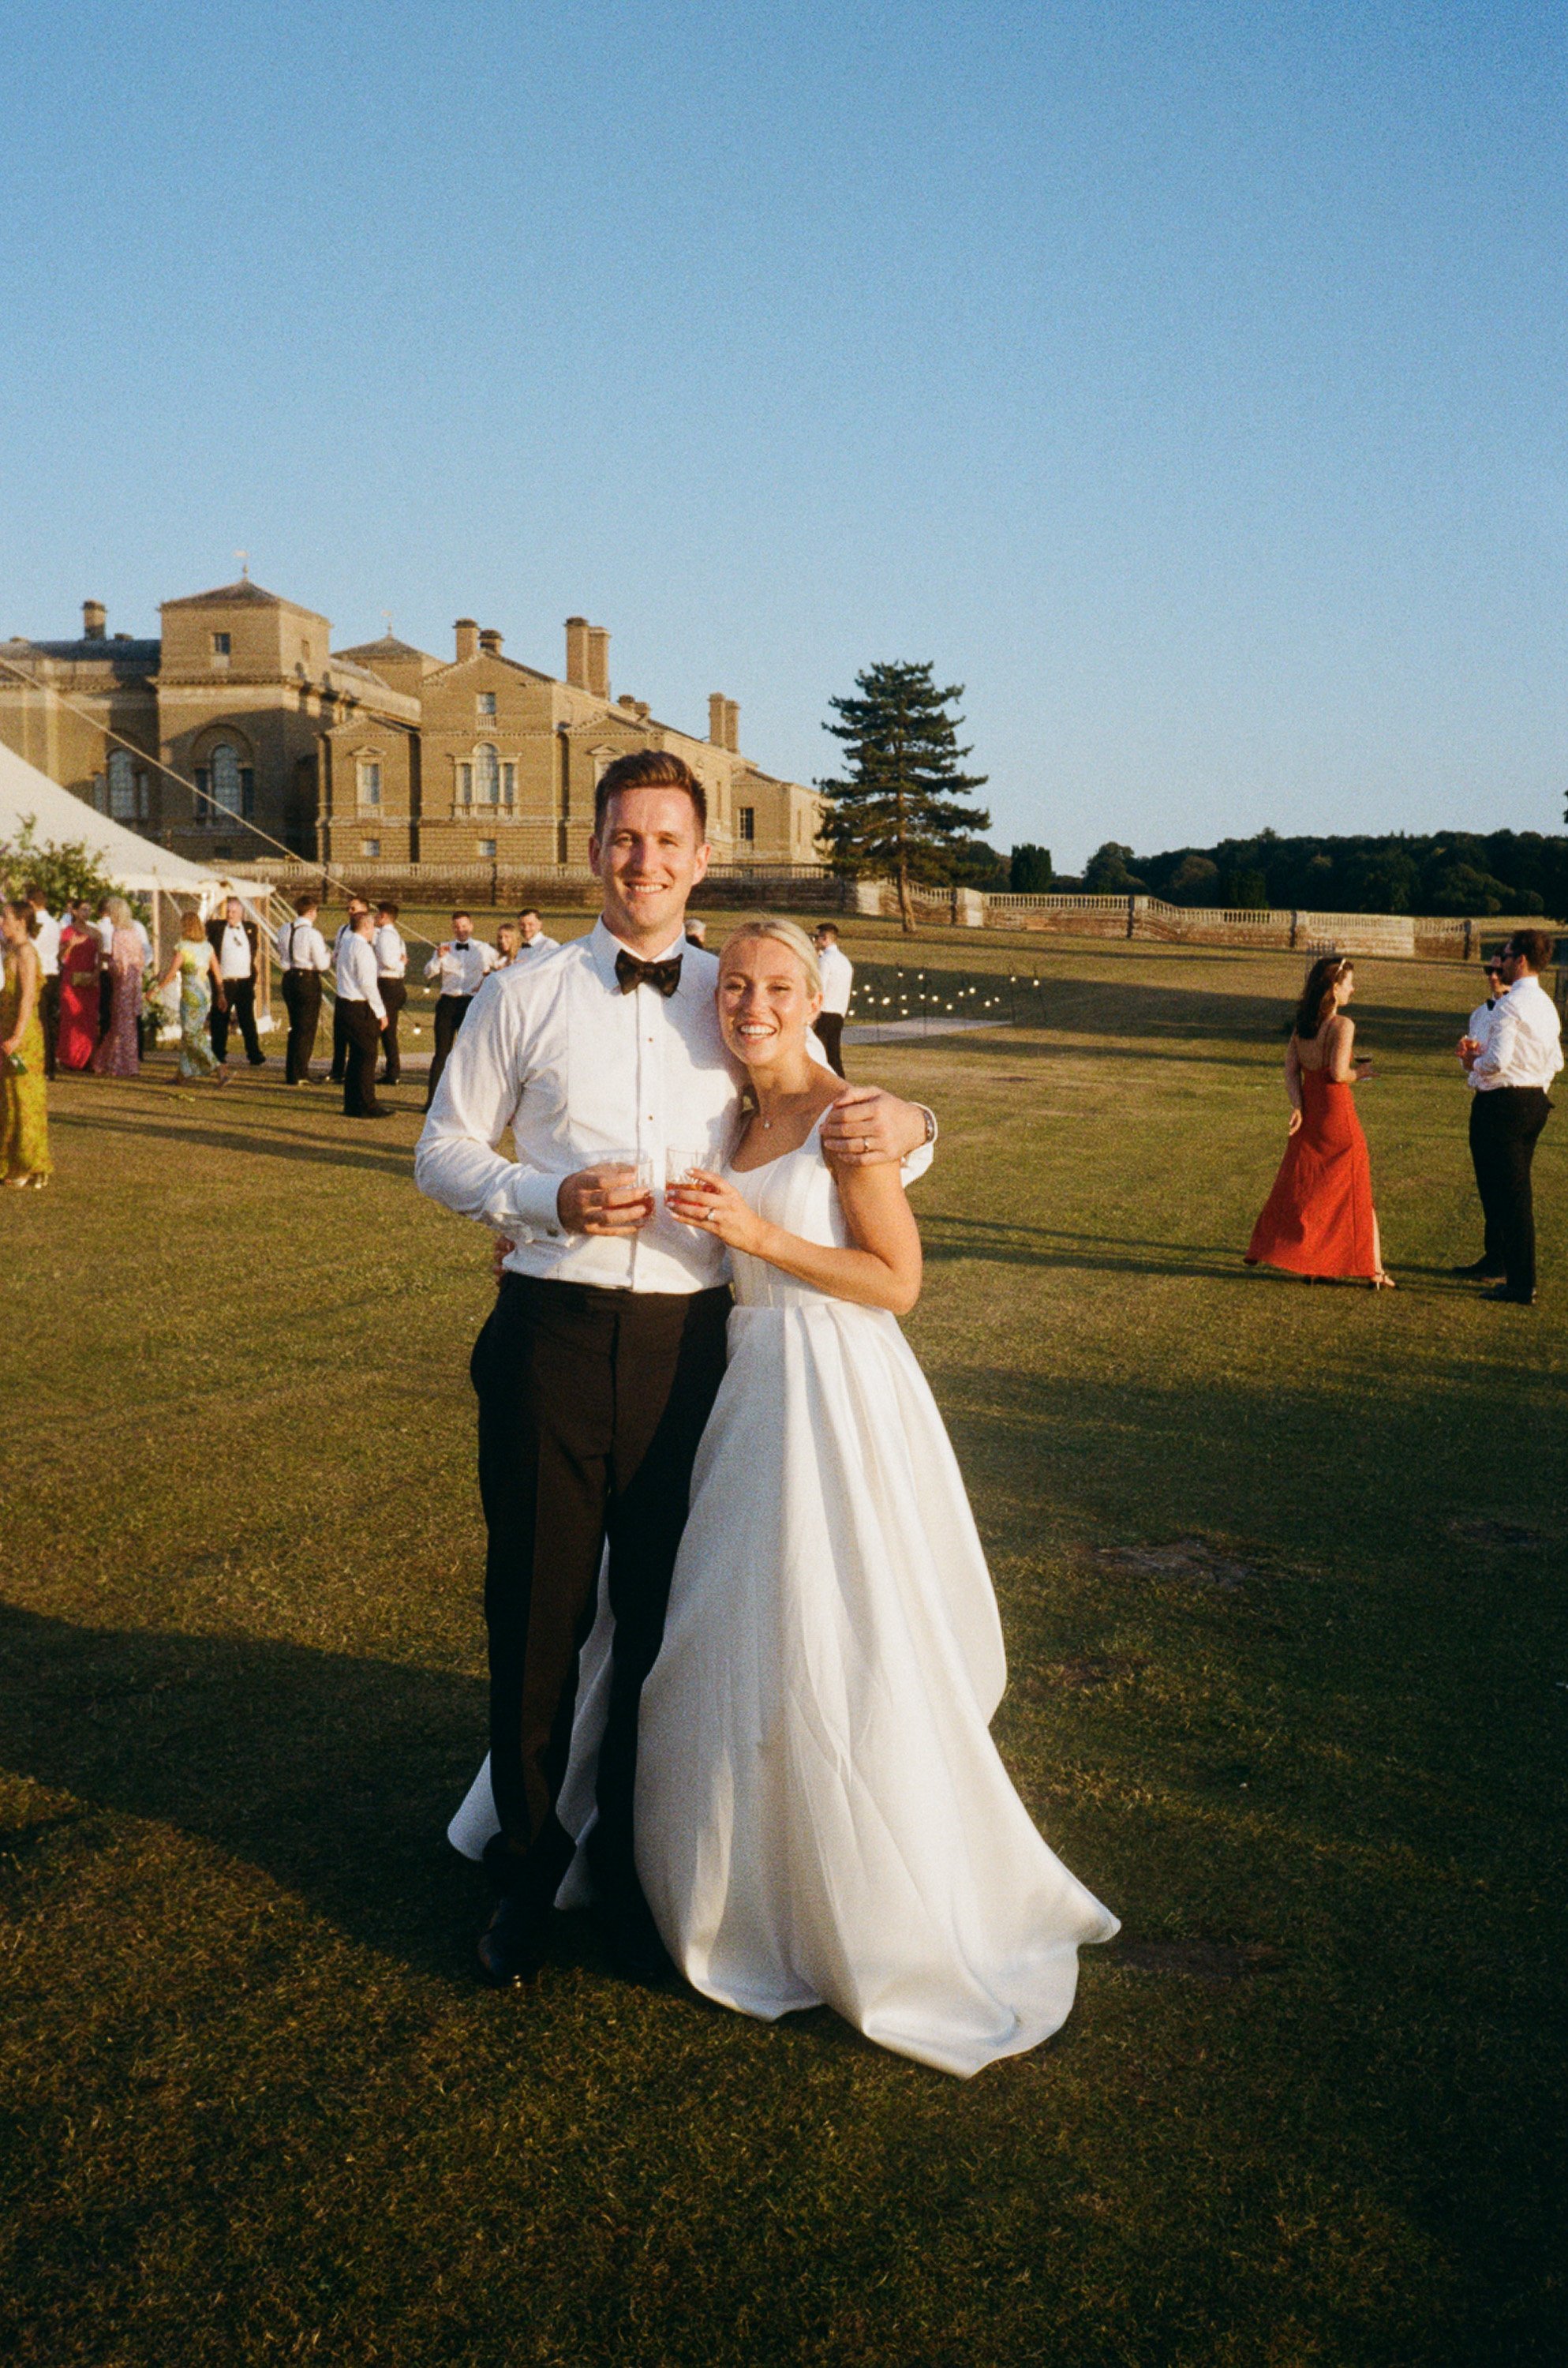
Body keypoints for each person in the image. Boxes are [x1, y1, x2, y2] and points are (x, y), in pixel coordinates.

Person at [417, 748, 934, 1988]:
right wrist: (542, 1197)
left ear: (700, 860)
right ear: (592, 848)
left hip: (690, 1352)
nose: (641, 860)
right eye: (621, 837)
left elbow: (831, 1113)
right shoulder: (523, 992)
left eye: (665, 840)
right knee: (537, 1615)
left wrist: (920, 1122)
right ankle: (524, 1880)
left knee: (660, 1623)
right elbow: (440, 1150)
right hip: (548, 1336)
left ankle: (635, 1876)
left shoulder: (735, 991)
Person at [1244, 955, 1392, 1287]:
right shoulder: (1343, 1025)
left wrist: (1298, 1106)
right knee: (1356, 1192)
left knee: (1313, 1191)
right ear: (1334, 988)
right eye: (1348, 983)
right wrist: (1362, 1073)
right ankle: (1374, 1270)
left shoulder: (1303, 1026)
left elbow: (1290, 1070)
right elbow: (1339, 1073)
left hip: (1311, 1115)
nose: (1353, 989)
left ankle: (1315, 1264)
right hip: (1338, 1116)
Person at [1458, 927, 1562, 1306]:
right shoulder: (1546, 1005)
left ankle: (1520, 1283)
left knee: (1510, 1196)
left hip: (1504, 1105)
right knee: (1512, 1191)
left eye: (1504, 955)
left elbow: (1498, 1061)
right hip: (1534, 1101)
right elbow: (1556, 1060)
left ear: (1521, 959)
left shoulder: (1510, 1005)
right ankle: (1504, 1265)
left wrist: (1473, 1061)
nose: (1499, 962)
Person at [1451, 956, 1510, 1280]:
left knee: (1506, 1184)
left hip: (1508, 1099)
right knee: (1487, 1182)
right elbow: (1471, 1065)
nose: (1493, 977)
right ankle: (1494, 1255)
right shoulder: (1479, 1013)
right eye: (1489, 970)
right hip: (1482, 1098)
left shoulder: (1516, 1010)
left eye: (1499, 971)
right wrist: (1467, 1055)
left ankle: (1507, 1260)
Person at [0, 900, 52, 1186]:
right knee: (8, 1098)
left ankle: (27, 1166)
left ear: (21, 922)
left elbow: (28, 997)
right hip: (7, 1027)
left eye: (5, 918)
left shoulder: (26, 953)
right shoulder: (11, 950)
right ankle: (13, 1162)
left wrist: (17, 1036)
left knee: (24, 1099)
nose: (1, 923)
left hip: (23, 1034)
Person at [422, 911, 496, 1107]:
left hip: (471, 1004)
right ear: (452, 928)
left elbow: (501, 966)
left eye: (464, 926)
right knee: (441, 1053)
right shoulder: (445, 948)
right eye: (457, 927)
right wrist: (438, 958)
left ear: (471, 926)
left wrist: (487, 979)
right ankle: (432, 1102)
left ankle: (468, 1103)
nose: (461, 930)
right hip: (448, 1003)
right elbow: (428, 973)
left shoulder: (483, 949)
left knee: (470, 1053)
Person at [160, 910, 227, 1082]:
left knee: (191, 1034)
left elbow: (172, 973)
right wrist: (221, 994)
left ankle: (217, 1065)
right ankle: (182, 1073)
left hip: (190, 996)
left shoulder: (183, 948)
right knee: (189, 1034)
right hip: (205, 994)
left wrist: (157, 988)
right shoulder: (207, 947)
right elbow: (217, 973)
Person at [335, 906, 389, 1118]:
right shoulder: (362, 949)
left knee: (356, 1057)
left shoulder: (346, 943)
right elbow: (367, 984)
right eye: (372, 927)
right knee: (367, 1056)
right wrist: (381, 1012)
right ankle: (367, 1104)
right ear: (366, 927)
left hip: (344, 1004)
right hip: (359, 1006)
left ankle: (352, 1103)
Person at [276, 894, 331, 1085]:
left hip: (289, 978)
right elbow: (322, 964)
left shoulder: (284, 929)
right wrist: (328, 955)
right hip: (307, 979)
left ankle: (292, 1070)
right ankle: (300, 1072)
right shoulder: (312, 934)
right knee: (306, 1028)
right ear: (312, 912)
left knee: (295, 1026)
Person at [206, 896, 266, 1067]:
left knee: (247, 1019)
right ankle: (218, 1053)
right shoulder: (217, 928)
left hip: (244, 982)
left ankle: (254, 1053)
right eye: (228, 911)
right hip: (225, 982)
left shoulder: (251, 929)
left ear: (241, 913)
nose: (230, 914)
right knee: (220, 1018)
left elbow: (253, 951)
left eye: (234, 911)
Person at [88, 897, 143, 1077]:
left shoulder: (118, 935)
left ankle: (117, 1063)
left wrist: (108, 961)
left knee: (120, 1023)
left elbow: (118, 965)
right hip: (134, 981)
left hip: (123, 982)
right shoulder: (134, 933)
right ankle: (126, 1062)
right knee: (128, 1023)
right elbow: (140, 958)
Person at [329, 897, 372, 1084]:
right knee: (339, 1033)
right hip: (344, 987)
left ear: (364, 910)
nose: (350, 912)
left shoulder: (371, 932)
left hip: (361, 990)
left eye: (354, 909)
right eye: (348, 908)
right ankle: (337, 1070)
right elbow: (336, 953)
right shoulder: (343, 929)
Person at [54, 912, 103, 1070]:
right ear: (75, 912)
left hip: (89, 978)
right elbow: (61, 957)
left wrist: (96, 974)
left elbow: (100, 957)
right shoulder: (68, 932)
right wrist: (71, 944)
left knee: (88, 1019)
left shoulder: (95, 932)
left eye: (88, 909)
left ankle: (87, 1057)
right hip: (71, 978)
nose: (86, 913)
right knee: (70, 1018)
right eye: (83, 909)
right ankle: (69, 1057)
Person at [24, 886, 62, 1080]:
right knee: (48, 1020)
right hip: (52, 973)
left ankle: (45, 1065)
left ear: (31, 903)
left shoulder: (37, 923)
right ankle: (49, 1065)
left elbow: (32, 946)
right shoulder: (54, 923)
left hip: (40, 973)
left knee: (40, 1020)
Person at [812, 921, 854, 1077]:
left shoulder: (825, 961)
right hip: (839, 1012)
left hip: (824, 1012)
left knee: (816, 1053)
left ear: (825, 939)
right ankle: (841, 1083)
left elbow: (819, 988)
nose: (815, 941)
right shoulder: (845, 962)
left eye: (817, 937)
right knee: (833, 1055)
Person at [373, 901, 409, 1084]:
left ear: (384, 916)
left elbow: (388, 961)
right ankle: (392, 1070)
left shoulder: (385, 936)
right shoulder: (395, 935)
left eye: (377, 914)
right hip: (394, 984)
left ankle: (393, 1071)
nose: (375, 917)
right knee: (388, 1030)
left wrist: (400, 964)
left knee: (386, 1029)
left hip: (388, 984)